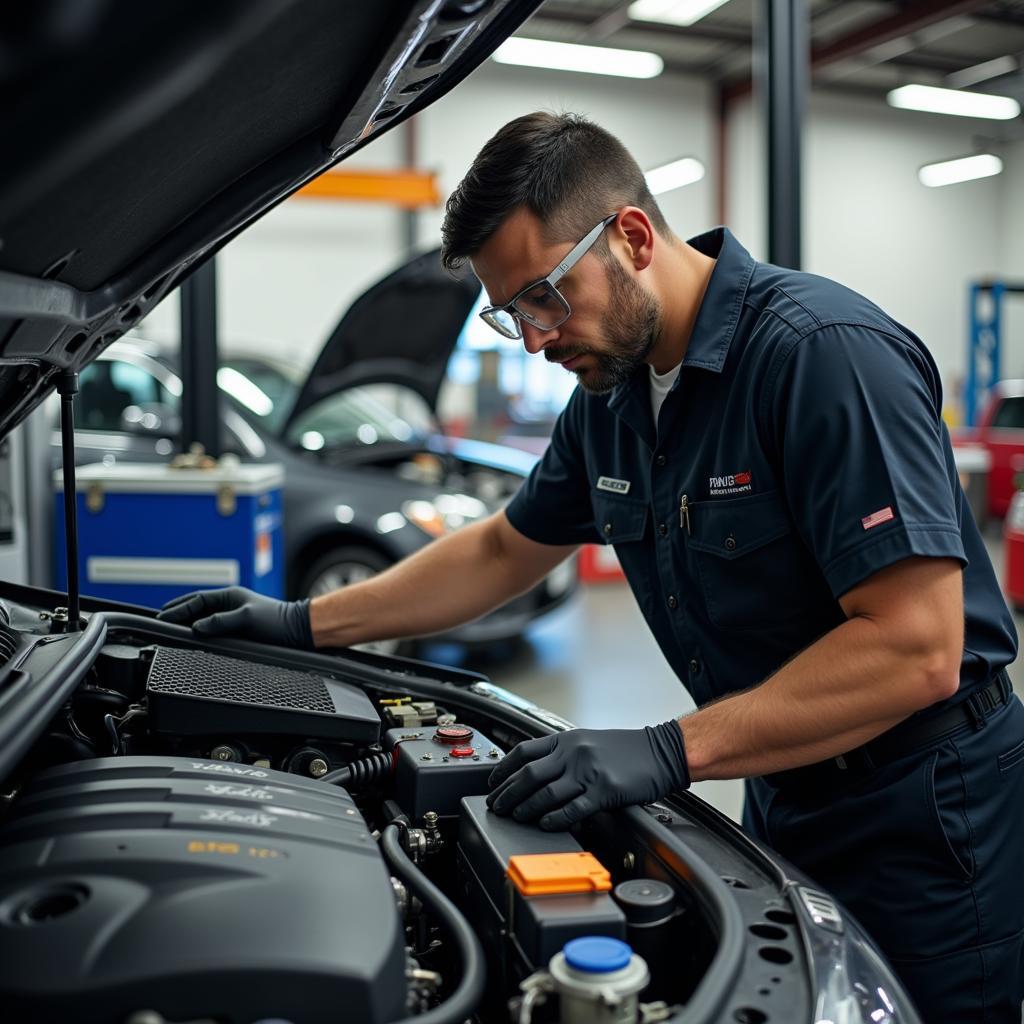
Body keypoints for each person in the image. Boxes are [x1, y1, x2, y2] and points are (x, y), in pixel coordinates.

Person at [159, 112, 1024, 1021]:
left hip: (928, 817)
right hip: (787, 785)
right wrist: (297, 624)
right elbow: (502, 547)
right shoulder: (612, 399)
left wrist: (668, 749)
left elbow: (916, 649)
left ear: (635, 237)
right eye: (511, 314)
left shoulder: (820, 357)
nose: (534, 338)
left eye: (543, 296)